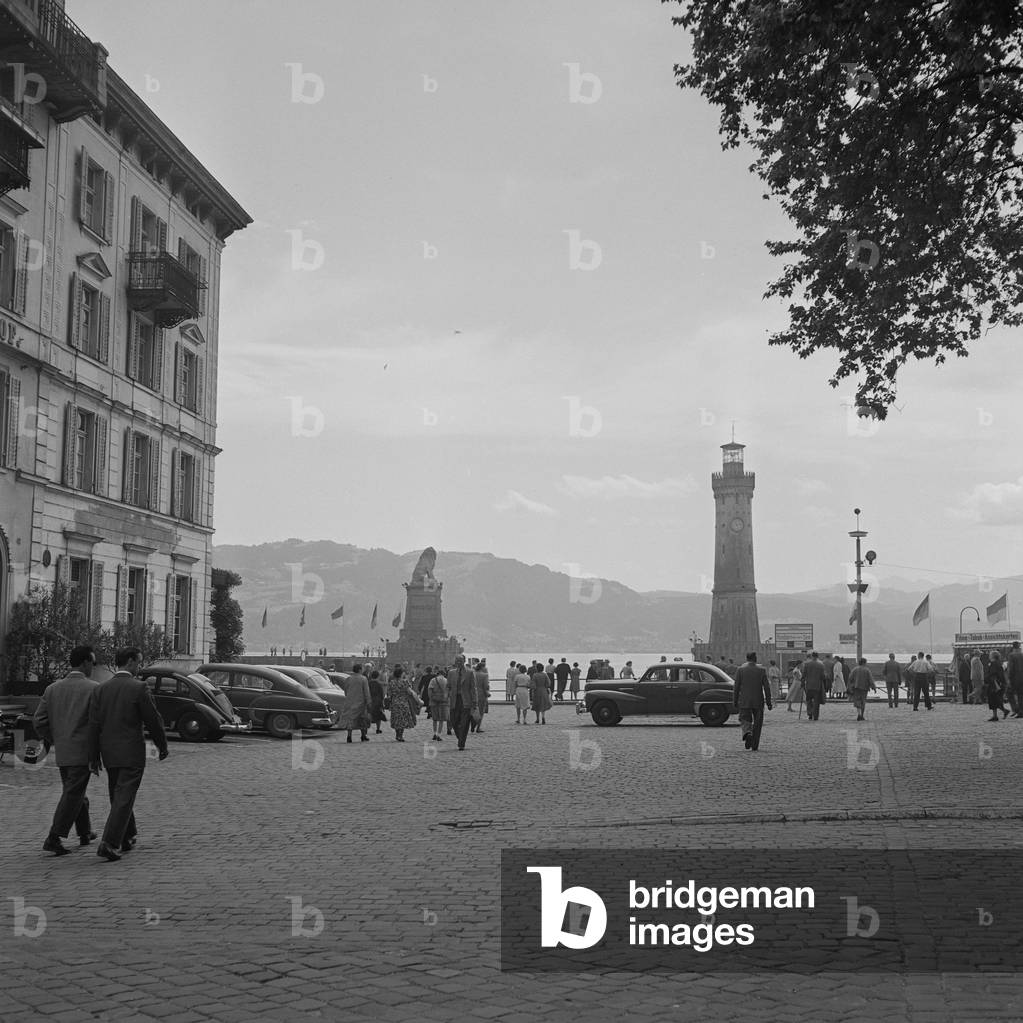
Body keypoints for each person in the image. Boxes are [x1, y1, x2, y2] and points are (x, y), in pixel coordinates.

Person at [87, 647, 169, 862]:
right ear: (131, 662)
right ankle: (110, 842)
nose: (139, 666)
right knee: (124, 796)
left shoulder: (101, 689)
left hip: (109, 751)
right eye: (139, 662)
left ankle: (127, 835)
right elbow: (154, 719)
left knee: (118, 794)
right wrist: (162, 745)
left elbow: (94, 725)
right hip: (131, 751)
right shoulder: (138, 687)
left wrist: (93, 755)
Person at [33, 645, 100, 856]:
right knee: (73, 793)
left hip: (63, 750)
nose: (94, 666)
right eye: (94, 662)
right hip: (83, 751)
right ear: (86, 662)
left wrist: (55, 738)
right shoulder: (94, 688)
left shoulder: (53, 688)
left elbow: (39, 720)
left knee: (75, 791)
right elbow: (99, 722)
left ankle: (85, 831)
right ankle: (54, 836)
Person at [733, 652, 772, 750]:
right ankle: (755, 745)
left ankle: (747, 733)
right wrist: (768, 702)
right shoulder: (762, 670)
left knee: (745, 719)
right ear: (755, 658)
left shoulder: (740, 670)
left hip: (745, 700)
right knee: (758, 723)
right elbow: (767, 687)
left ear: (747, 659)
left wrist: (735, 700)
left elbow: (736, 687)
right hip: (758, 701)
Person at [446, 654, 479, 750]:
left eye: (460, 661)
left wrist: (474, 702)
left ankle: (461, 743)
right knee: (454, 721)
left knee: (464, 723)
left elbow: (473, 688)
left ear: (463, 661)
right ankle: (460, 737)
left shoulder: (470, 673)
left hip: (466, 700)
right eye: (457, 661)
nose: (458, 662)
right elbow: (448, 686)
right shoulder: (451, 673)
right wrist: (447, 695)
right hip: (454, 700)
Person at [339, 664, 371, 743]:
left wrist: (348, 697)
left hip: (350, 701)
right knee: (362, 719)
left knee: (350, 719)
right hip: (360, 702)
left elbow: (346, 690)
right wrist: (368, 701)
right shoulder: (363, 679)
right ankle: (363, 735)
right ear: (360, 670)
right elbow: (366, 692)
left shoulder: (349, 679)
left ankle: (349, 736)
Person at [387, 666, 419, 742]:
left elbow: (389, 694)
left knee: (396, 719)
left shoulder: (391, 682)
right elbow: (409, 692)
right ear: (401, 674)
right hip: (404, 702)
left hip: (395, 702)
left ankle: (397, 735)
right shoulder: (405, 682)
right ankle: (400, 735)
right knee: (403, 719)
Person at [801, 652, 826, 721]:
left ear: (812, 656)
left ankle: (810, 714)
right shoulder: (821, 665)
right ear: (817, 656)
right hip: (817, 686)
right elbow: (823, 676)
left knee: (808, 700)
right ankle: (815, 716)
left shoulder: (807, 664)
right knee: (816, 702)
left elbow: (803, 675)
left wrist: (802, 683)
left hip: (809, 686)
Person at [987, 652, 1010, 721]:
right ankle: (997, 714)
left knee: (994, 699)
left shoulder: (993, 664)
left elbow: (993, 674)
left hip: (995, 684)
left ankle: (1000, 713)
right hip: (1000, 683)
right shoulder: (999, 663)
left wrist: (987, 679)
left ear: (992, 656)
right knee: (996, 699)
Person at [427, 670, 449, 741]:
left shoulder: (433, 680)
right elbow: (448, 691)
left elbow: (429, 690)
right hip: (443, 702)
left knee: (435, 719)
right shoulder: (446, 680)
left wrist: (431, 698)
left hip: (434, 701)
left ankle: (435, 733)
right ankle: (439, 735)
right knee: (441, 719)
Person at [470, 660, 490, 733]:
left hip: (472, 695)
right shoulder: (484, 675)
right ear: (482, 668)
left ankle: (472, 724)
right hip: (481, 695)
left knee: (472, 711)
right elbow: (485, 686)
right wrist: (487, 693)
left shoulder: (472, 674)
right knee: (481, 711)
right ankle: (478, 727)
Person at [1007, 641, 1023, 718]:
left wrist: (1009, 678)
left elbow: (1011, 668)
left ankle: (1015, 709)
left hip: (1014, 679)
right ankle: (1021, 711)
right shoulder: (1022, 655)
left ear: (1013, 647)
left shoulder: (1011, 655)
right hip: (1022, 678)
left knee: (1009, 693)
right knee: (1021, 695)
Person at [367, 669, 386, 734]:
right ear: (378, 676)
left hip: (370, 700)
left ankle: (366, 729)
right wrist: (382, 702)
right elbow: (382, 694)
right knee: (378, 715)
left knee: (369, 715)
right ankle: (378, 729)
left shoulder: (369, 683)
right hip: (378, 701)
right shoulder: (379, 684)